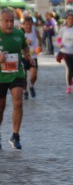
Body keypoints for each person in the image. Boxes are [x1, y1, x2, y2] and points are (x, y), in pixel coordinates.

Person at [0, 8, 33, 150]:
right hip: (1, 75)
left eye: (12, 21)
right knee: (0, 107)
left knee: (18, 102)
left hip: (16, 73)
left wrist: (27, 55)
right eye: (6, 21)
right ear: (1, 21)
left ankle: (15, 135)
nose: (9, 24)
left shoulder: (19, 34)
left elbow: (25, 48)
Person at [56, 12, 73, 94]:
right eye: (69, 19)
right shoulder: (62, 29)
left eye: (72, 19)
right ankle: (68, 86)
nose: (70, 20)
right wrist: (60, 44)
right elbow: (59, 39)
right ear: (66, 20)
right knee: (68, 68)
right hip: (65, 51)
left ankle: (71, 78)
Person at [21, 15, 42, 99]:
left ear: (32, 24)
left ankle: (31, 85)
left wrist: (39, 46)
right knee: (24, 76)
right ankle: (25, 91)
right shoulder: (21, 32)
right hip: (23, 57)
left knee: (34, 75)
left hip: (33, 56)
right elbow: (19, 45)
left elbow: (40, 39)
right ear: (24, 24)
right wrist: (25, 42)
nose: (28, 26)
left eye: (30, 24)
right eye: (26, 24)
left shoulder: (35, 31)